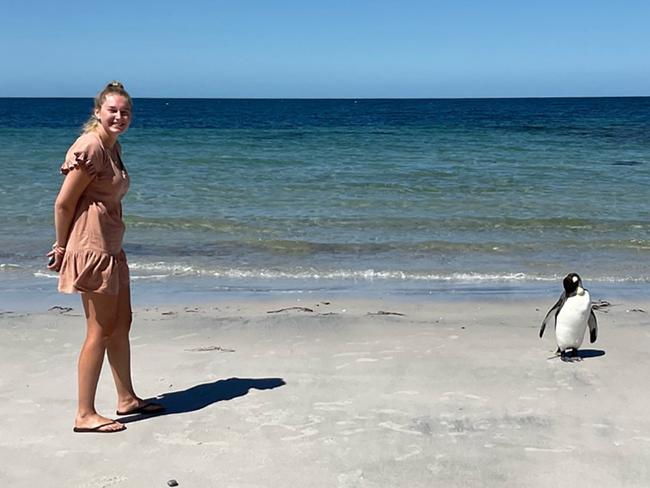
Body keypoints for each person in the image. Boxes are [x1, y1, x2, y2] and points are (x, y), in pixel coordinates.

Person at [48, 81, 163, 433]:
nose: (119, 116)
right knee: (98, 330)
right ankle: (84, 414)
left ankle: (126, 397)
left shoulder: (113, 147)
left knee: (122, 323)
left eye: (125, 112)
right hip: (91, 246)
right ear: (97, 111)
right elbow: (64, 202)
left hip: (111, 244)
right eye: (112, 110)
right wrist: (61, 246)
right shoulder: (91, 146)